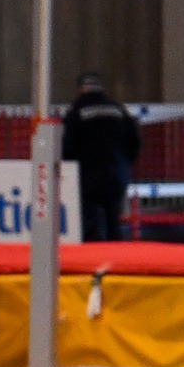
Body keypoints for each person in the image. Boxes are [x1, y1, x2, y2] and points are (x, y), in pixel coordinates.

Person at [62, 72, 141, 242]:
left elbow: (68, 145)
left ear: (80, 89)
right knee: (114, 221)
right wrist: (125, 163)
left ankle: (93, 261)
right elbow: (135, 141)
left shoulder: (77, 110)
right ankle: (116, 261)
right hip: (117, 173)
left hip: (90, 175)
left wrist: (69, 169)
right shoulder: (117, 108)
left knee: (91, 222)